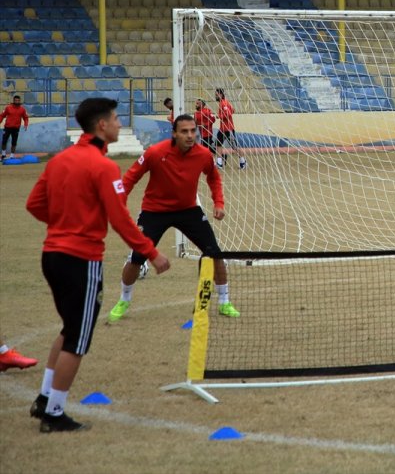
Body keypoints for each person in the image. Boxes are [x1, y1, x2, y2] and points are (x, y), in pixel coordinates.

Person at [26, 97, 170, 433]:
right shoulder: (103, 166)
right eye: (117, 119)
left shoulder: (60, 160)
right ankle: (55, 413)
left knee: (69, 328)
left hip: (52, 255)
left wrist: (61, 224)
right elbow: (120, 218)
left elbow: (35, 204)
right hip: (81, 259)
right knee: (78, 339)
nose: (120, 124)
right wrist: (152, 252)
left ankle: (45, 399)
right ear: (101, 125)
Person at [107, 113, 240, 323]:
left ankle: (224, 301)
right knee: (137, 257)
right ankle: (124, 299)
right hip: (154, 211)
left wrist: (219, 203)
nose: (190, 135)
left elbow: (213, 178)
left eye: (192, 131)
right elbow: (131, 177)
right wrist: (119, 204)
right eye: (184, 131)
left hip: (189, 210)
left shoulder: (204, 154)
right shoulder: (155, 152)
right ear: (174, 134)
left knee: (214, 253)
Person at [213, 88, 246, 170]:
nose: (215, 96)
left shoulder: (223, 103)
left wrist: (218, 116)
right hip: (222, 129)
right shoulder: (225, 102)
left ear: (221, 95)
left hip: (228, 129)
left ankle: (243, 162)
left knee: (235, 147)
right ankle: (219, 163)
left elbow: (228, 114)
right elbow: (233, 110)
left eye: (216, 95)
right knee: (218, 145)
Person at [1, 94, 28, 160]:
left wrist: (26, 124)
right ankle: (3, 155)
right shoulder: (8, 108)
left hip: (16, 128)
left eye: (18, 100)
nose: (17, 102)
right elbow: (2, 115)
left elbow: (25, 117)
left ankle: (12, 156)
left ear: (19, 101)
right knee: (4, 141)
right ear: (13, 101)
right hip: (7, 127)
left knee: (14, 142)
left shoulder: (22, 109)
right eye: (16, 100)